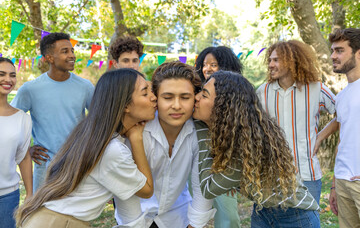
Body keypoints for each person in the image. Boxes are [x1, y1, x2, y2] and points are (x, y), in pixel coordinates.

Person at [15, 68, 157, 228]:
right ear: (125, 105)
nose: (154, 98)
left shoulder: (93, 135)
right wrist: (136, 139)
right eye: (145, 93)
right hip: (60, 223)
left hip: (50, 219)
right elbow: (146, 190)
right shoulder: (112, 149)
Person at [193, 71, 320, 228]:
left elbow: (209, 188)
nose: (196, 98)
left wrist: (200, 126)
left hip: (295, 217)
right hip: (263, 212)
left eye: (204, 95)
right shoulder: (231, 134)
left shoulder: (242, 145)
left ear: (223, 106)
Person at [115, 61, 215, 228]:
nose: (176, 106)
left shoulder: (200, 133)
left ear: (195, 99)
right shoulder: (136, 130)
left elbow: (201, 185)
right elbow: (126, 189)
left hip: (178, 216)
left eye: (185, 97)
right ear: (155, 98)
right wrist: (133, 225)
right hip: (137, 217)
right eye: (168, 97)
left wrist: (195, 224)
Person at [11, 32, 94, 192]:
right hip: (46, 169)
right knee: (41, 214)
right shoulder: (31, 89)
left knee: (76, 215)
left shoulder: (86, 87)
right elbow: (10, 121)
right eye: (65, 51)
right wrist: (26, 150)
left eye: (72, 50)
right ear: (49, 58)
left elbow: (101, 119)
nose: (72, 55)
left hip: (77, 165)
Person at [256, 40, 336, 204]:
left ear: (292, 61)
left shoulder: (316, 88)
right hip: (271, 178)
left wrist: (320, 136)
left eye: (276, 60)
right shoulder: (262, 91)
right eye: (270, 60)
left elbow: (343, 115)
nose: (270, 64)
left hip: (307, 175)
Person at [315, 28, 360, 227]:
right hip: (343, 180)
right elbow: (343, 139)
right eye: (333, 50)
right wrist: (334, 184)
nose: (333, 56)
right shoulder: (341, 96)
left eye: (340, 50)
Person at [195, 46, 242, 228]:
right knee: (195, 214)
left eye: (213, 64)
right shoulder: (196, 90)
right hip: (196, 160)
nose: (207, 69)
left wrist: (228, 174)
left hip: (223, 164)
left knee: (229, 217)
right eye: (205, 65)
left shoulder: (236, 96)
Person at [0, 57, 32, 228]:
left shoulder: (22, 119)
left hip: (8, 197)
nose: (8, 80)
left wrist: (29, 194)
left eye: (12, 75)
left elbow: (24, 158)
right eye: (1, 74)